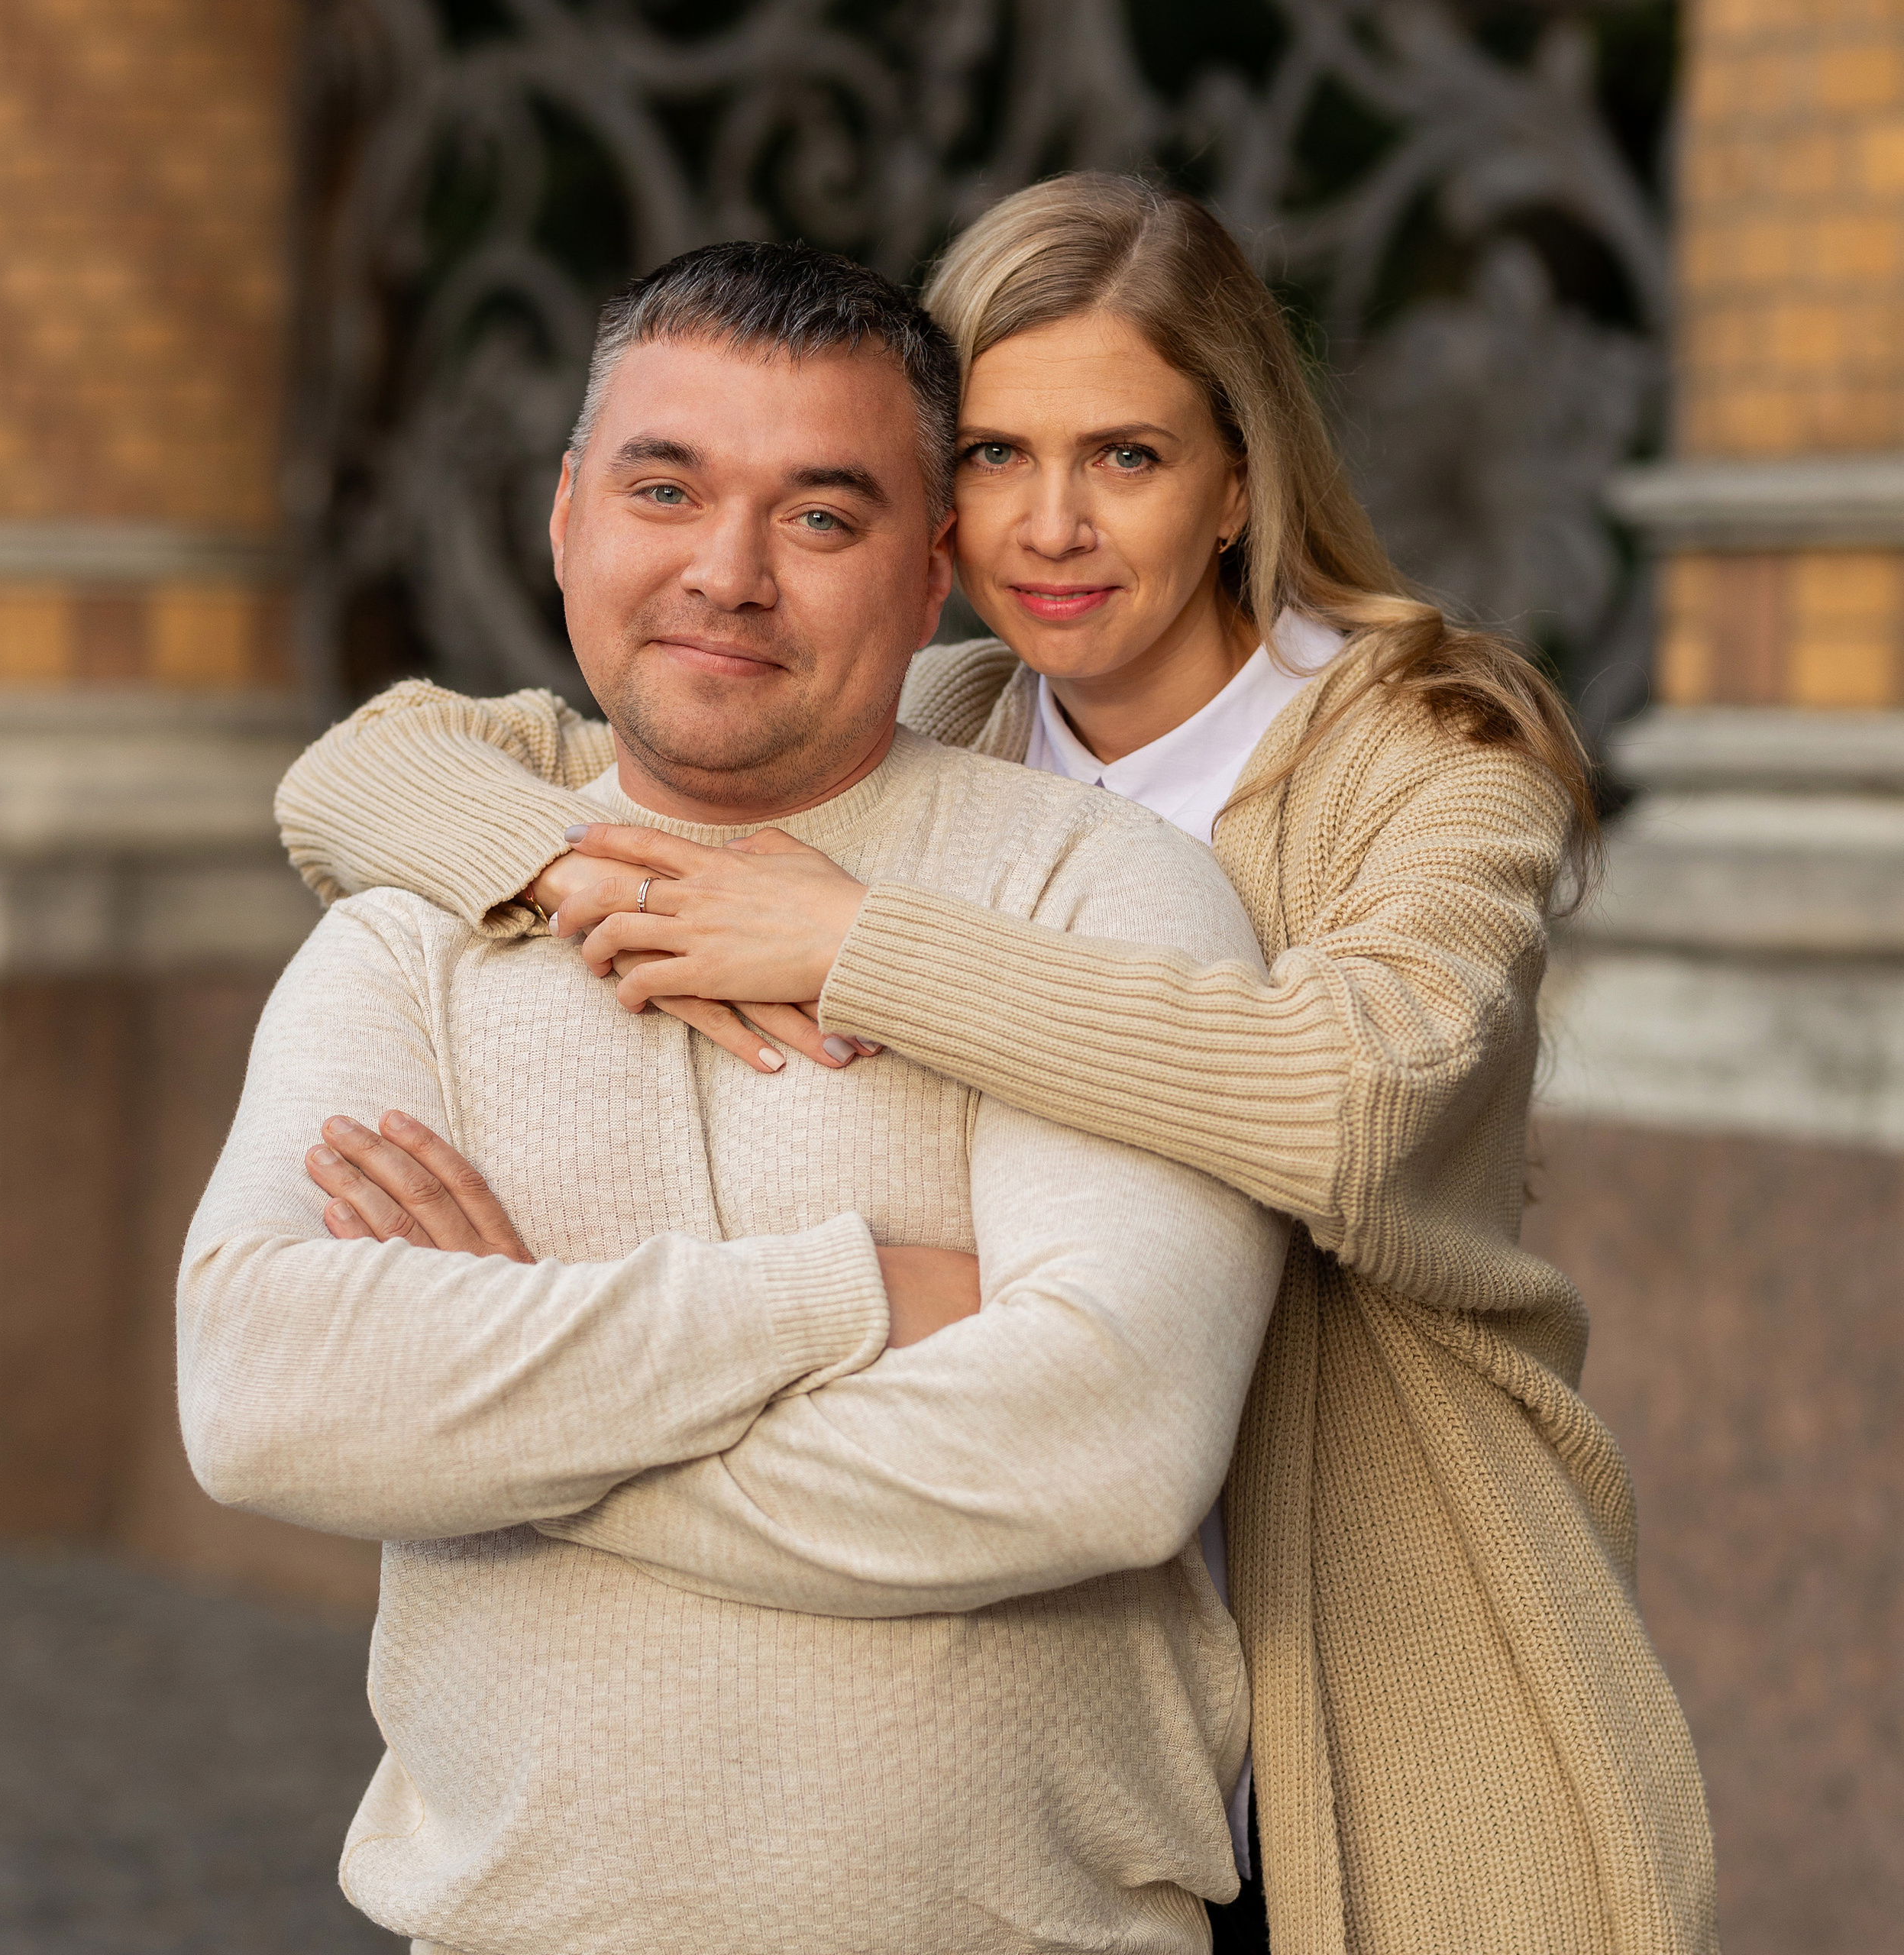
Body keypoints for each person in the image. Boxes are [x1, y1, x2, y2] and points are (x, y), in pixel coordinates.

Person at [278, 176, 1718, 1953]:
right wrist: (564, 866)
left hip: (1366, 1595)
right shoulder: (941, 712)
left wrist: (849, 948)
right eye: (991, 455)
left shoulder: (1423, 752)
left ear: (1237, 482)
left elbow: (1349, 1099)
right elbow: (367, 765)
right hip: (1064, 1678)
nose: (1051, 524)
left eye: (1123, 454)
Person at [184, 240, 1294, 1955]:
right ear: (567, 517)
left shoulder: (1103, 897)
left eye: (820, 516)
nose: (726, 570)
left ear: (932, 568)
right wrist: (849, 1291)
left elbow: (1100, 1450)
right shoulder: (418, 930)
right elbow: (264, 1392)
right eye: (663, 487)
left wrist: (501, 1408)